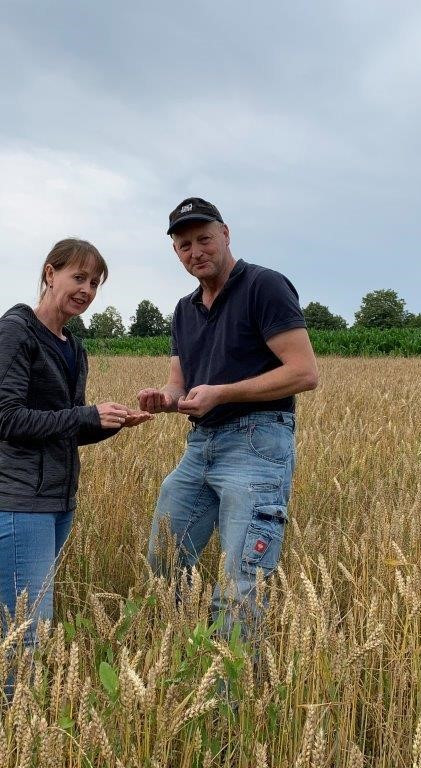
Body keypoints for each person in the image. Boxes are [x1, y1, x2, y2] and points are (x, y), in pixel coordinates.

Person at [138, 198, 319, 637]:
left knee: (240, 587)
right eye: (184, 246)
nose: (195, 251)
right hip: (200, 446)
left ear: (226, 234)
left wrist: (222, 393)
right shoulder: (184, 310)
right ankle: (183, 663)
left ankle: (230, 699)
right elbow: (178, 382)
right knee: (164, 561)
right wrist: (164, 398)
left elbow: (304, 372)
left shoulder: (264, 286)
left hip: (257, 443)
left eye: (204, 239)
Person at [0, 238, 151, 690]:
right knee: (27, 634)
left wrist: (111, 423)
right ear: (49, 273)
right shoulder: (14, 332)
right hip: (19, 503)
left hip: (58, 503)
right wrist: (85, 414)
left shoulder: (73, 347)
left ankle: (22, 722)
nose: (87, 290)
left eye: (95, 283)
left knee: (36, 629)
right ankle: (13, 729)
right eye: (79, 277)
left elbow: (67, 429)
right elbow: (9, 420)